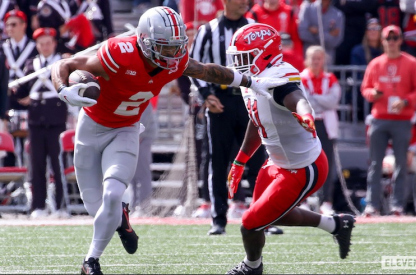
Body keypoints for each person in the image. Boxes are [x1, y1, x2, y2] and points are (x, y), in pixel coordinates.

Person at [50, 6, 286, 274]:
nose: (174, 54)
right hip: (91, 127)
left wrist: (252, 82)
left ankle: (90, 261)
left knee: (113, 192)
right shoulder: (119, 53)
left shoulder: (176, 61)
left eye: (177, 46)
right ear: (143, 40)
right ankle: (120, 219)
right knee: (96, 207)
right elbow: (65, 64)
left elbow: (208, 71)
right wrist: (63, 90)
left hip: (125, 129)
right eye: (165, 46)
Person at [225, 23, 355, 275]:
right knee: (263, 216)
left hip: (303, 168)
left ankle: (252, 267)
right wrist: (240, 161)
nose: (238, 62)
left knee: (250, 223)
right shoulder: (252, 79)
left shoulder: (279, 77)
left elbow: (296, 98)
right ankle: (336, 224)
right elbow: (256, 118)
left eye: (244, 56)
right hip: (275, 162)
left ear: (264, 54)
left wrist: (306, 114)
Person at [189, 0, 273, 236]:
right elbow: (192, 64)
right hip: (221, 101)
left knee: (259, 161)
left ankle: (264, 217)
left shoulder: (256, 27)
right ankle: (218, 219)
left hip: (250, 100)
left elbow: (268, 61)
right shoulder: (208, 30)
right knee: (218, 160)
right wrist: (206, 95)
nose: (244, 3)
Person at [361, 25, 416, 217]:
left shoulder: (411, 63)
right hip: (379, 118)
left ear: (400, 40)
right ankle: (372, 205)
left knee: (401, 164)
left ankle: (397, 205)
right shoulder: (375, 63)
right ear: (382, 41)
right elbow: (365, 89)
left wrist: (406, 101)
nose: (391, 42)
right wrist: (373, 93)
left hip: (402, 119)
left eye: (395, 38)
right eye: (387, 39)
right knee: (375, 163)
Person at [16, 28, 69, 219]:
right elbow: (21, 90)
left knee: (58, 165)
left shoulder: (62, 63)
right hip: (36, 121)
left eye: (48, 43)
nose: (45, 47)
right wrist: (20, 95)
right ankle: (38, 205)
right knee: (37, 165)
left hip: (56, 121)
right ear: (37, 46)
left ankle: (60, 206)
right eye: (41, 43)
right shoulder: (31, 64)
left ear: (54, 43)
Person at [300, 45, 341, 215]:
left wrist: (314, 97)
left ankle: (326, 201)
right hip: (305, 124)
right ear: (307, 60)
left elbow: (333, 101)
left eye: (319, 58)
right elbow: (302, 100)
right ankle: (302, 200)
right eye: (313, 58)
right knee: (303, 163)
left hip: (325, 124)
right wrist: (319, 100)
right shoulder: (300, 78)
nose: (316, 62)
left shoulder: (330, 78)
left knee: (327, 163)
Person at [2, 9, 38, 167]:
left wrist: (34, 95)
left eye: (14, 24)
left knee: (30, 145)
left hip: (29, 102)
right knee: (6, 144)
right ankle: (9, 184)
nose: (10, 28)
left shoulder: (35, 47)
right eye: (7, 25)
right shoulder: (3, 49)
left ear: (24, 25)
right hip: (7, 102)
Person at [297, 0, 345, 66]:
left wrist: (316, 32)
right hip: (309, 55)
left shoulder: (338, 15)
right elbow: (303, 33)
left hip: (328, 58)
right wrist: (328, 34)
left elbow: (336, 40)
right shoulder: (307, 9)